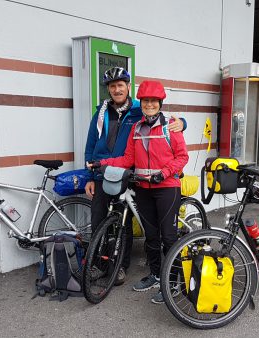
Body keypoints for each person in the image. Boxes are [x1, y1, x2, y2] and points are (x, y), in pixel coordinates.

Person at [84, 67, 186, 286]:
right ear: (109, 90)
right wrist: (97, 166)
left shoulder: (158, 120)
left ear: (128, 87)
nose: (149, 105)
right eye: (113, 86)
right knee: (145, 235)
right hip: (129, 182)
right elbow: (119, 154)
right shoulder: (117, 120)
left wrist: (183, 123)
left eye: (120, 85)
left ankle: (173, 282)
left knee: (164, 235)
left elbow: (180, 153)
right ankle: (153, 275)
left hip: (164, 185)